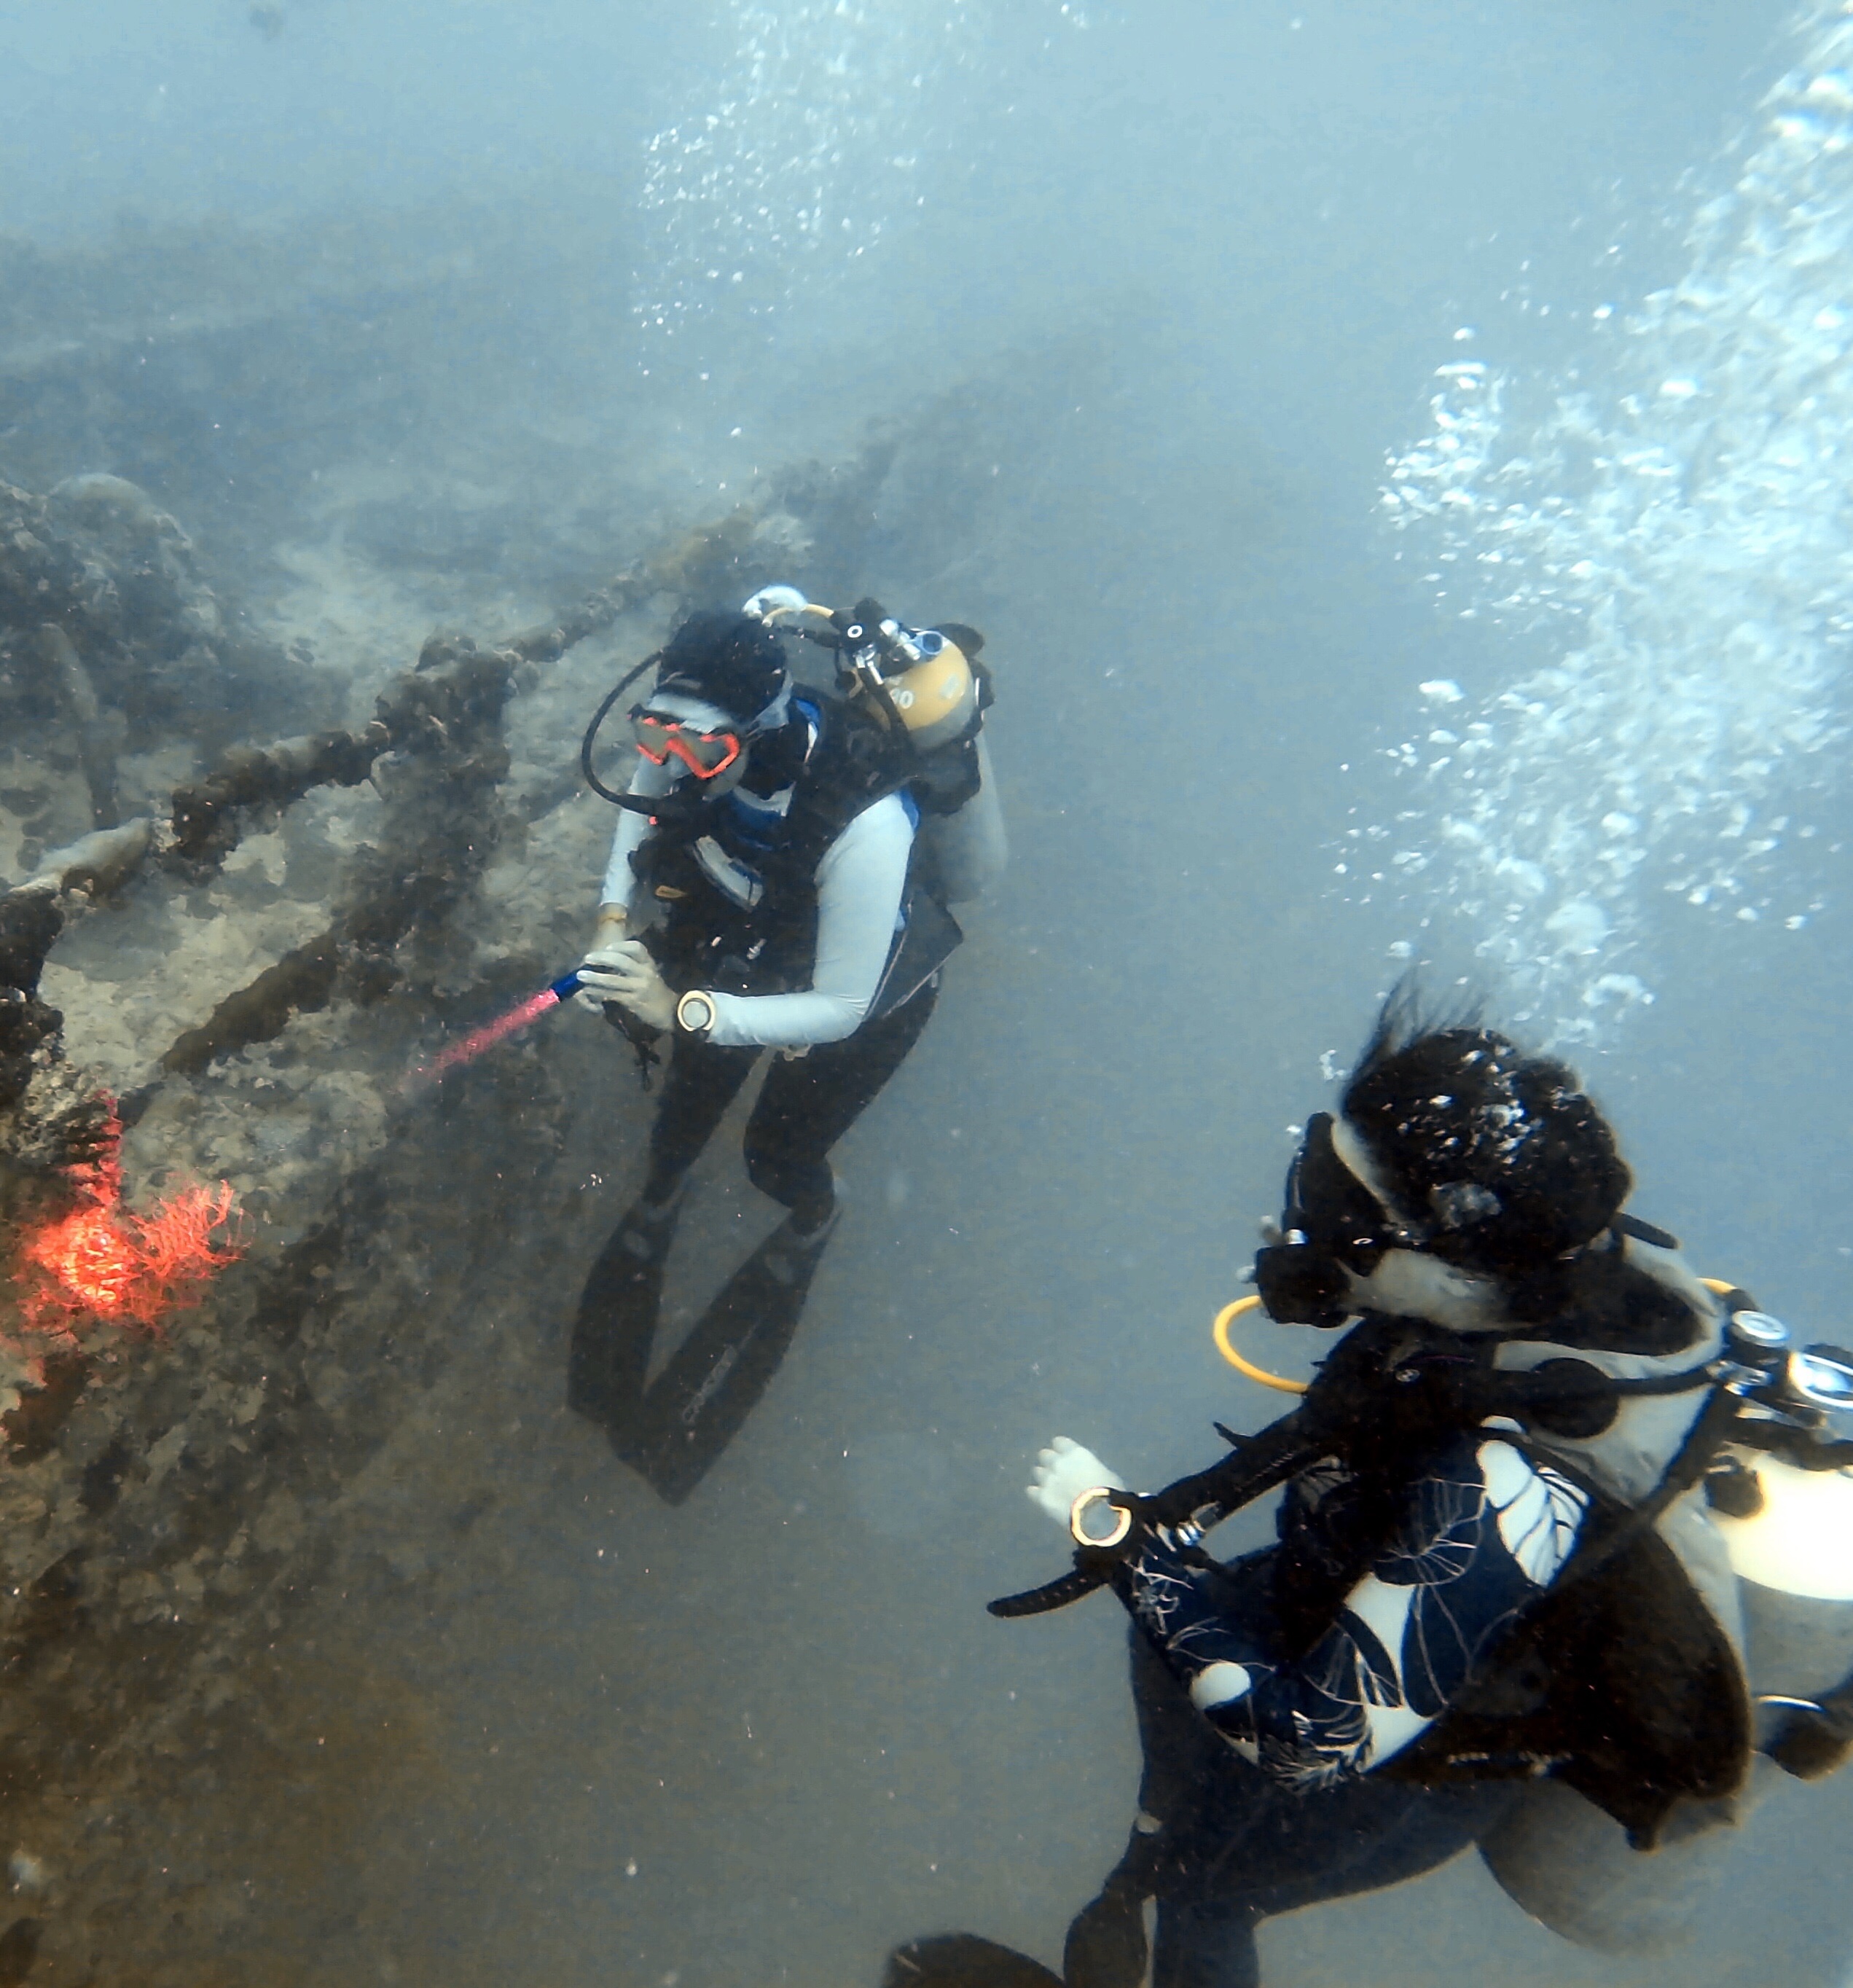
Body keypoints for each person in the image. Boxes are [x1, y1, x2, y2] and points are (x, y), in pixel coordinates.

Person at [887, 993, 1853, 1987]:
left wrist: (1123, 1542)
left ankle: (1170, 1887)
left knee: (1213, 1898)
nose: (1299, 1225)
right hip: (1314, 1605)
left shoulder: (1512, 1480)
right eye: (1316, 1180)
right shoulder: (1506, 1295)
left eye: (1341, 1215)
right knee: (1183, 1839)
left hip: (1410, 1775)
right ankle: (1144, 1870)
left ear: (1454, 1258)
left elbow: (1309, 1738)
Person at [566, 589, 1003, 1503]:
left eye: (702, 752)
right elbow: (637, 800)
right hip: (748, 948)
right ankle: (656, 1212)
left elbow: (840, 1006)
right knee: (680, 1123)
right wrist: (612, 920)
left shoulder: (864, 819)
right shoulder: (689, 736)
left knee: (774, 1155)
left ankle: (815, 1219)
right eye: (655, 733)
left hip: (866, 1000)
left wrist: (680, 1008)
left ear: (759, 729)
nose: (674, 764)